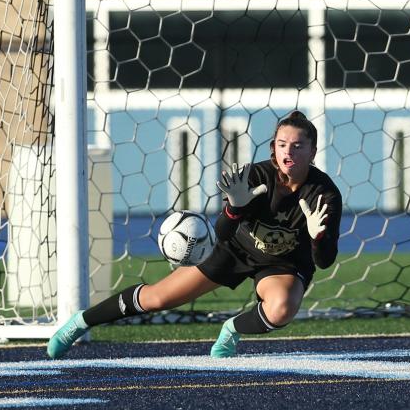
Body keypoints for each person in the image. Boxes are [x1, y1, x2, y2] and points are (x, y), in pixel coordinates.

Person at [46, 110, 342, 360]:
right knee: (156, 298)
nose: (288, 152)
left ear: (313, 151)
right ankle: (80, 322)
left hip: (284, 264)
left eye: (298, 145)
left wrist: (319, 238)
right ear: (273, 148)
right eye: (282, 144)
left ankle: (231, 330)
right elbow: (222, 232)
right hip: (234, 250)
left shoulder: (325, 194)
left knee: (280, 309)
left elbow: (325, 262)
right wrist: (235, 209)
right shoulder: (255, 177)